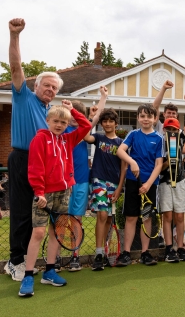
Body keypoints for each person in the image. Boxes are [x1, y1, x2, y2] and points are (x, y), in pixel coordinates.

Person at [5, 18, 64, 281]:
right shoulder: (23, 95)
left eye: (54, 88)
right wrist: (14, 35)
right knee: (20, 212)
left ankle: (31, 262)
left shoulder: (52, 114)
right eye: (46, 85)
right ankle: (15, 261)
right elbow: (16, 66)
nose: (50, 90)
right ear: (36, 85)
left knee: (37, 215)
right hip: (21, 159)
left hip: (43, 165)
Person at [18, 100, 92, 297]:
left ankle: (49, 271)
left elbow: (87, 126)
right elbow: (35, 167)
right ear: (48, 120)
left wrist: (73, 110)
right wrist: (39, 192)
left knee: (56, 233)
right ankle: (27, 276)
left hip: (64, 192)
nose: (59, 125)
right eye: (56, 121)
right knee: (38, 233)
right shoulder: (40, 139)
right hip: (44, 194)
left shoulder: (69, 139)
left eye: (63, 122)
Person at [65, 86, 109, 272]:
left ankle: (75, 255)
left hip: (82, 180)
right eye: (72, 115)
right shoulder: (61, 129)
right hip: (63, 182)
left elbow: (96, 117)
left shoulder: (84, 131)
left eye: (78, 116)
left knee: (76, 219)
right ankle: (57, 256)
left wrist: (103, 97)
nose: (76, 119)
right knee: (59, 219)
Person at [116, 104, 163, 266]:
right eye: (142, 116)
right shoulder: (133, 134)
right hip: (132, 182)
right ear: (138, 118)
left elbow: (158, 164)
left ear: (155, 119)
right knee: (131, 217)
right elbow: (120, 151)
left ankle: (145, 253)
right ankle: (126, 253)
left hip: (149, 185)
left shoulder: (158, 139)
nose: (146, 119)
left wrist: (149, 184)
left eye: (149, 116)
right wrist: (132, 161)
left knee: (147, 218)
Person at [84, 107, 126, 271]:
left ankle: (106, 251)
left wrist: (120, 187)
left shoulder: (121, 143)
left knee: (108, 218)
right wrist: (91, 117)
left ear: (116, 123)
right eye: (105, 121)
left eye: (111, 121)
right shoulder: (98, 137)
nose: (108, 124)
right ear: (101, 124)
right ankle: (99, 253)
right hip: (98, 180)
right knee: (101, 214)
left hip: (114, 184)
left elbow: (124, 168)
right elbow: (84, 135)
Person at [159, 108, 185, 263]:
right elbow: (158, 167)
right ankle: (169, 248)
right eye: (169, 129)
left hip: (179, 181)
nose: (172, 131)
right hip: (164, 182)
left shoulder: (180, 139)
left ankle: (181, 247)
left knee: (179, 215)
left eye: (174, 129)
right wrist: (167, 162)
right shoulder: (160, 143)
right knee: (167, 215)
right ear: (164, 129)